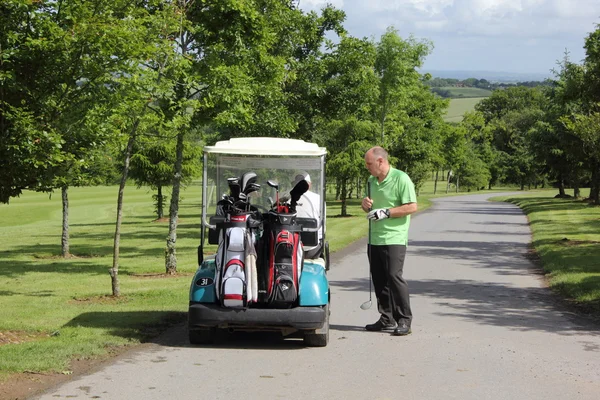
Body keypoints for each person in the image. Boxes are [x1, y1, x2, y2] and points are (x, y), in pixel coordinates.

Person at [362, 146, 417, 336]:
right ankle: (386, 318)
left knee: (394, 277)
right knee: (379, 279)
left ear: (380, 161)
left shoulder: (401, 178)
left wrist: (387, 212)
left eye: (369, 164)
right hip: (375, 237)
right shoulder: (371, 180)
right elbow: (369, 207)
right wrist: (365, 204)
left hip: (394, 237)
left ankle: (404, 320)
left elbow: (411, 206)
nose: (367, 167)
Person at [292, 171, 324, 259]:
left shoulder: (286, 197)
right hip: (312, 250)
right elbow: (322, 228)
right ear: (309, 185)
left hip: (290, 248)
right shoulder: (318, 199)